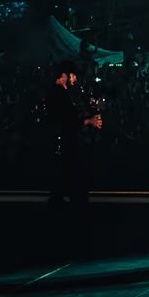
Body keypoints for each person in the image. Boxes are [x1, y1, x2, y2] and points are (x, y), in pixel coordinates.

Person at [46, 60, 103, 206]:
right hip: (64, 144)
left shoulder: (64, 93)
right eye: (74, 75)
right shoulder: (57, 94)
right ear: (65, 75)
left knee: (68, 180)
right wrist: (88, 121)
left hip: (67, 143)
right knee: (70, 178)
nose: (76, 79)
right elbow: (66, 121)